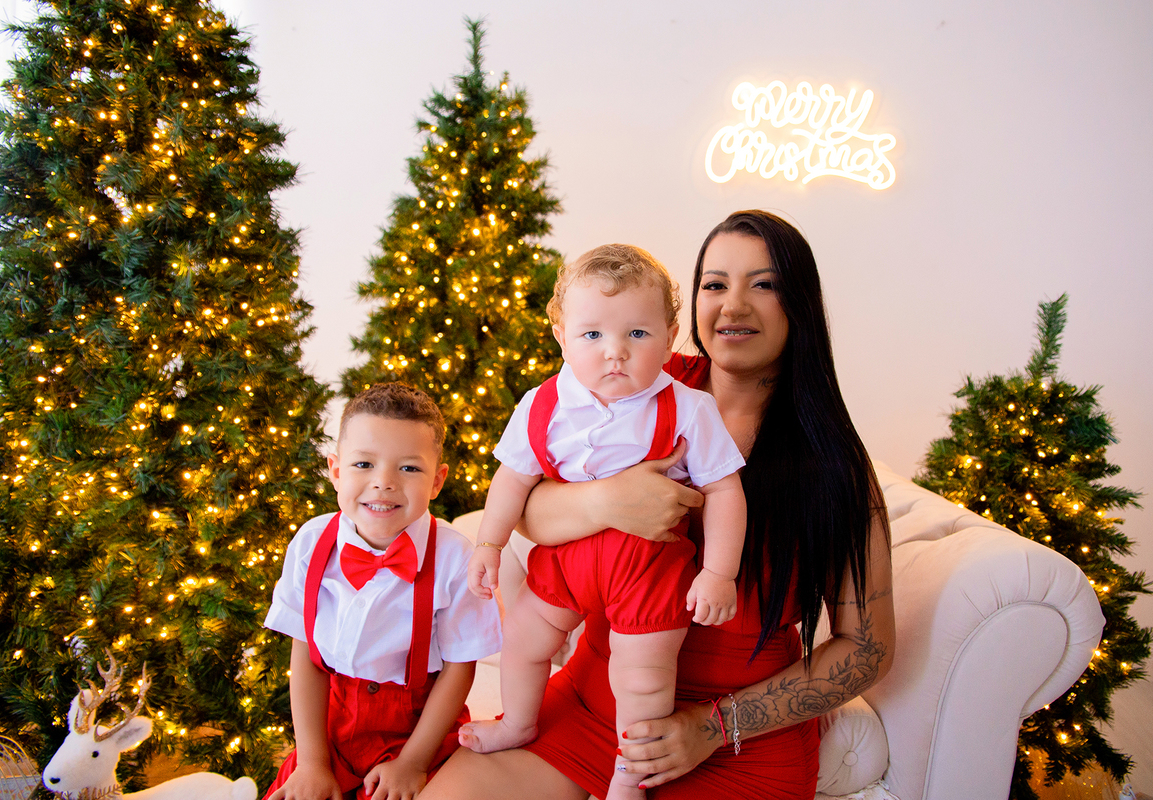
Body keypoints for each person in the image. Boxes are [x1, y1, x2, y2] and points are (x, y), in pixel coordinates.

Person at [423, 210, 895, 800]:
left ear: (799, 302)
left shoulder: (833, 462)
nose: (734, 306)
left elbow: (867, 650)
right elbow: (530, 507)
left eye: (764, 284)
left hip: (737, 742)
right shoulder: (641, 378)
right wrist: (607, 502)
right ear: (687, 309)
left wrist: (716, 726)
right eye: (715, 284)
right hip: (595, 701)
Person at [459, 245, 748, 800]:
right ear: (561, 333)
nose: (614, 352)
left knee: (641, 678)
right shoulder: (543, 404)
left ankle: (629, 769)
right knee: (520, 639)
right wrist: (489, 543)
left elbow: (724, 489)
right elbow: (512, 481)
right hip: (567, 560)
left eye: (637, 335)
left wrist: (718, 573)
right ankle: (519, 722)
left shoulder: (689, 408)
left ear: (669, 335)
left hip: (648, 567)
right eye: (592, 336)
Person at [262, 383, 502, 800]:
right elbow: (306, 656)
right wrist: (313, 761)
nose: (383, 483)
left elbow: (459, 668)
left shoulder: (453, 556)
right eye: (363, 465)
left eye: (408, 469)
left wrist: (412, 762)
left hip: (417, 729)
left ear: (437, 480)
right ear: (335, 470)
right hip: (330, 731)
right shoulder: (310, 542)